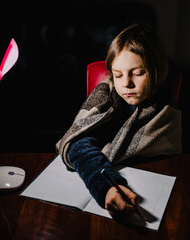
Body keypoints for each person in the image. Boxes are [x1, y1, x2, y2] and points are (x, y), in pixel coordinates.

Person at [56, 23, 182, 216]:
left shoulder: (166, 109)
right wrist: (106, 187)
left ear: (159, 71)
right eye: (118, 75)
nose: (126, 84)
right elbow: (78, 142)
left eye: (138, 73)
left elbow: (168, 158)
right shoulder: (106, 96)